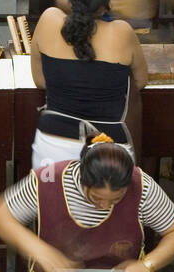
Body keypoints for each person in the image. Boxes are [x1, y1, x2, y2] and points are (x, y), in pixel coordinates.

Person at [0, 133, 174, 272]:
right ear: (81, 179)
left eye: (116, 199)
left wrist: (147, 265)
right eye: (96, 197)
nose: (104, 205)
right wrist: (40, 251)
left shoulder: (141, 185)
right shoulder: (49, 181)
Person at [31, 0, 147, 170]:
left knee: (52, 196)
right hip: (110, 152)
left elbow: (40, 81)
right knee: (105, 197)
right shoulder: (123, 32)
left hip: (53, 146)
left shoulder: (48, 20)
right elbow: (140, 81)